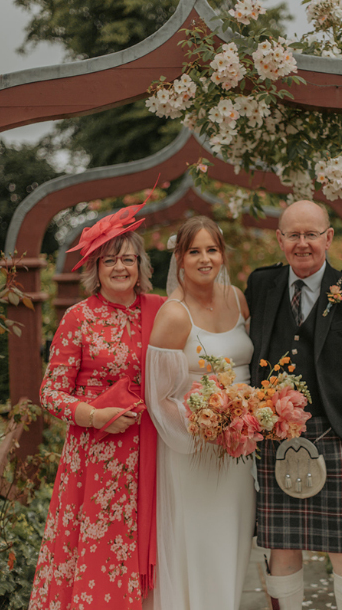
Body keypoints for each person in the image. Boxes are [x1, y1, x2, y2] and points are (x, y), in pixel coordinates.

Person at [247, 200, 342, 610]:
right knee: (281, 550)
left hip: (337, 435)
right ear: (280, 239)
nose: (302, 243)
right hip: (275, 437)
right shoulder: (261, 285)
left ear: (328, 238)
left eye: (311, 234)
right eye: (294, 234)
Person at [29, 205, 164, 610]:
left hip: (151, 454)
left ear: (140, 265)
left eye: (128, 259)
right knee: (98, 551)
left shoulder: (160, 312)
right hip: (96, 457)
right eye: (110, 260)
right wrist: (94, 415)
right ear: (96, 268)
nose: (120, 267)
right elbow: (51, 392)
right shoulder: (79, 318)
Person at [144, 215, 256, 610]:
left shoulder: (237, 299)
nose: (204, 259)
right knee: (199, 541)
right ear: (179, 257)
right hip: (193, 449)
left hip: (241, 447)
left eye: (212, 250)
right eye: (194, 251)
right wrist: (205, 430)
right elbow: (158, 396)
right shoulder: (174, 314)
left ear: (222, 255)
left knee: (233, 538)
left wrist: (249, 416)